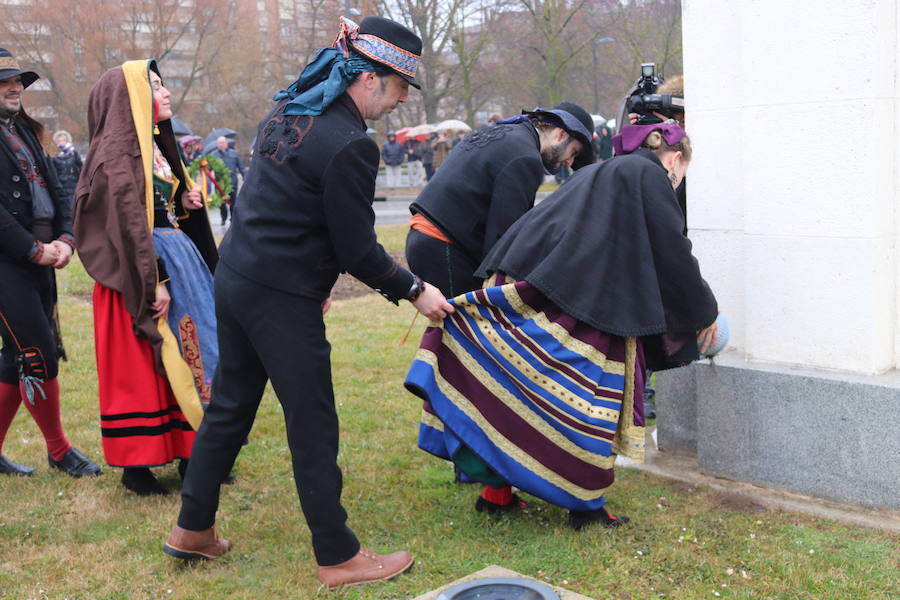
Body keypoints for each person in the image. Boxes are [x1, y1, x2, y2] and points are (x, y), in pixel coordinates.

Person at [164, 17, 453, 589]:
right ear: (368, 79)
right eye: (398, 89)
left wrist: (312, 280)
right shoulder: (350, 143)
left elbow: (288, 207)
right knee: (312, 419)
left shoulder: (291, 108)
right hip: (278, 294)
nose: (399, 103)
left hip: (239, 276)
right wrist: (416, 290)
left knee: (230, 406)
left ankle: (192, 529)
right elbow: (358, 250)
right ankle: (338, 553)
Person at [405, 122, 719, 526]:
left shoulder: (599, 170)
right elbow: (673, 251)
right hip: (576, 305)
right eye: (681, 176)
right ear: (675, 160)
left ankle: (496, 492)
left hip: (527, 283)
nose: (677, 184)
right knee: (583, 405)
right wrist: (704, 310)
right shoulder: (648, 175)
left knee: (507, 391)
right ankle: (585, 507)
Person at [74, 60, 220, 496]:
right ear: (132, 98)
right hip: (136, 274)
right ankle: (137, 466)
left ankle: (196, 451)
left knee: (193, 352)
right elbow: (126, 221)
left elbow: (158, 207)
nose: (166, 93)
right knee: (143, 367)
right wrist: (152, 278)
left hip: (173, 261)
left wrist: (187, 202)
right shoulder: (116, 155)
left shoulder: (152, 145)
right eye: (155, 87)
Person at [0, 48, 102, 478]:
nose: (16, 87)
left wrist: (65, 237)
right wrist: (33, 249)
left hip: (39, 257)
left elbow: (59, 189)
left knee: (15, 359)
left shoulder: (24, 129)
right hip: (9, 262)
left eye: (18, 81)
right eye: (4, 81)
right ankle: (59, 450)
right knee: (39, 353)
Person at [406, 101, 594, 299]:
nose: (570, 162)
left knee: (455, 326)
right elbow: (505, 238)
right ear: (561, 134)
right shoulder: (525, 157)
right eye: (574, 152)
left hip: (426, 243)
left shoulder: (506, 134)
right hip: (443, 248)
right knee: (468, 327)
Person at [210, 135, 244, 226]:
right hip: (220, 184)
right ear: (217, 145)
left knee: (233, 202)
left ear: (226, 143)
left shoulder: (234, 153)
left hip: (232, 182)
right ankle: (223, 218)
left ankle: (233, 219)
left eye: (223, 142)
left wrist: (244, 176)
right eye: (220, 143)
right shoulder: (213, 155)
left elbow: (241, 167)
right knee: (221, 203)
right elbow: (209, 169)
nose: (221, 144)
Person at [51, 130, 82, 207]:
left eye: (64, 140)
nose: (62, 142)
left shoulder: (73, 153)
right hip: (60, 187)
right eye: (59, 140)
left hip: (74, 185)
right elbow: (52, 172)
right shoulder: (52, 154)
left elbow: (81, 167)